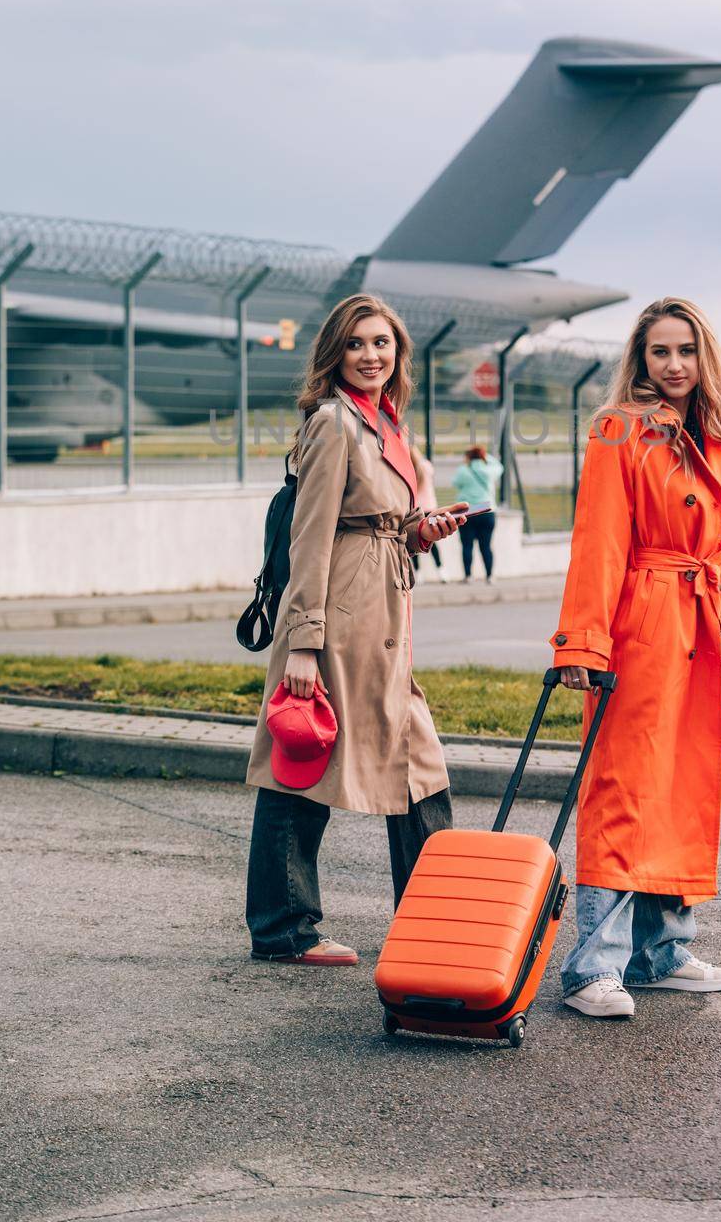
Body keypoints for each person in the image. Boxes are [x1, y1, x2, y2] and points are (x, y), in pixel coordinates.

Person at [245, 294, 468, 966]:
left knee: (420, 762)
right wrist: (305, 643)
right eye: (357, 344)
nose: (372, 356)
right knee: (304, 756)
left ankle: (431, 921)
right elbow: (310, 534)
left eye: (383, 344)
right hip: (338, 616)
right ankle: (283, 927)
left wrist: (422, 530)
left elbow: (383, 519)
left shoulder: (387, 422)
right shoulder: (333, 423)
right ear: (335, 354)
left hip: (385, 608)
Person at [549, 296, 721, 1020]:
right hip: (642, 627)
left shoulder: (713, 437)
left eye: (686, 351)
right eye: (660, 352)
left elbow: (719, 557)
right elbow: (599, 539)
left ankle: (660, 952)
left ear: (706, 359)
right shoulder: (620, 430)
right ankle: (592, 967)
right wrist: (583, 641)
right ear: (640, 359)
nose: (673, 365)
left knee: (679, 790)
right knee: (624, 790)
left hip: (699, 629)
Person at [451, 444, 503, 582]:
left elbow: (455, 483)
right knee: (486, 545)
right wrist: (485, 456)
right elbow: (500, 466)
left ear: (468, 457)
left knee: (467, 545)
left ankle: (468, 576)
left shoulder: (463, 470)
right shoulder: (489, 470)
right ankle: (490, 575)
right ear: (482, 456)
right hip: (487, 510)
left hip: (468, 511)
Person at [408, 442, 447, 581]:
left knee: (414, 540)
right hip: (430, 508)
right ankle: (441, 570)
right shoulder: (427, 466)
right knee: (433, 541)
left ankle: (418, 573)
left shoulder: (408, 467)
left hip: (415, 510)